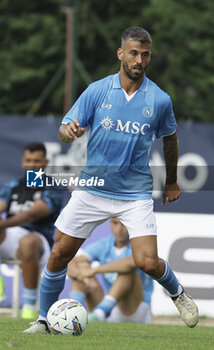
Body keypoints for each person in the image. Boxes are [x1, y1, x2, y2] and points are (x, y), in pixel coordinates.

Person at [24, 26, 199, 333]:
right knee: (59, 253)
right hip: (92, 188)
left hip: (135, 193)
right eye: (133, 53)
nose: (139, 60)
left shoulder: (159, 100)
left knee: (147, 262)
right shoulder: (97, 90)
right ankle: (42, 320)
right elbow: (64, 130)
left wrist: (171, 181)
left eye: (145, 54)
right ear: (121, 53)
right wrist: (70, 132)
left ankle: (178, 294)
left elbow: (170, 140)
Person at [0, 142, 63, 319]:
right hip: (10, 237)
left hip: (39, 239)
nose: (32, 165)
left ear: (46, 162)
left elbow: (33, 214)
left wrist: (3, 224)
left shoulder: (53, 186)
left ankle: (28, 307)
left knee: (28, 242)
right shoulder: (13, 186)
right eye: (28, 160)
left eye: (37, 161)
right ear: (23, 162)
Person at [68, 217, 154, 323]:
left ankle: (101, 312)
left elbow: (131, 263)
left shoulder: (140, 244)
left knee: (126, 272)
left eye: (123, 224)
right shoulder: (105, 244)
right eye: (114, 223)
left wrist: (95, 270)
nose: (119, 229)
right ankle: (72, 316)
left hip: (135, 309)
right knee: (79, 276)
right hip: (109, 308)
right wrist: (85, 277)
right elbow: (70, 263)